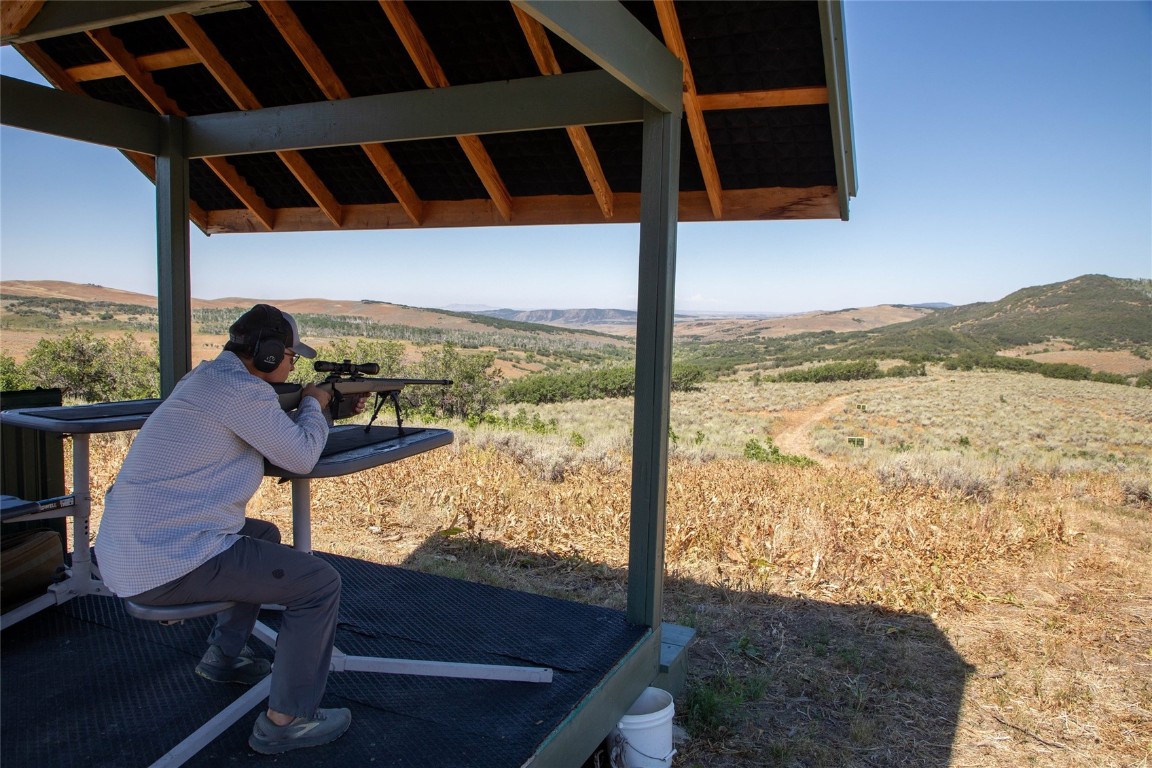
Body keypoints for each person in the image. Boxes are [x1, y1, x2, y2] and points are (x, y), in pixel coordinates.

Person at [95, 303, 360, 755]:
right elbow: (299, 458)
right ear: (271, 354)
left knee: (263, 536)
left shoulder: (205, 378)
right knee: (318, 583)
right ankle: (287, 720)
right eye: (293, 356)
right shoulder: (245, 393)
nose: (294, 365)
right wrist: (316, 406)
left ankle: (225, 656)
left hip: (130, 550)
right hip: (165, 562)